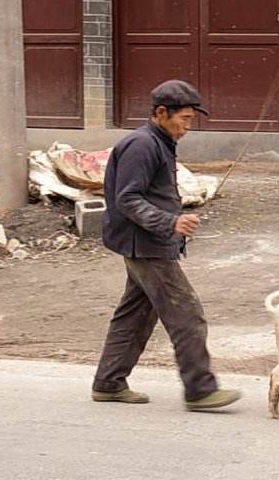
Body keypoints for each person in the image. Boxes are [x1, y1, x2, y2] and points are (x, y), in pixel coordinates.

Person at [92, 79, 241, 411]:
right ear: (161, 113)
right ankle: (200, 390)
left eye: (190, 120)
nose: (187, 127)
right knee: (187, 315)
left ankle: (109, 382)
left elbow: (144, 195)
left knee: (135, 316)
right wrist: (170, 222)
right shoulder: (143, 145)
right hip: (146, 245)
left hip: (147, 242)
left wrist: (172, 218)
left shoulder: (158, 142)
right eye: (184, 119)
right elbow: (127, 198)